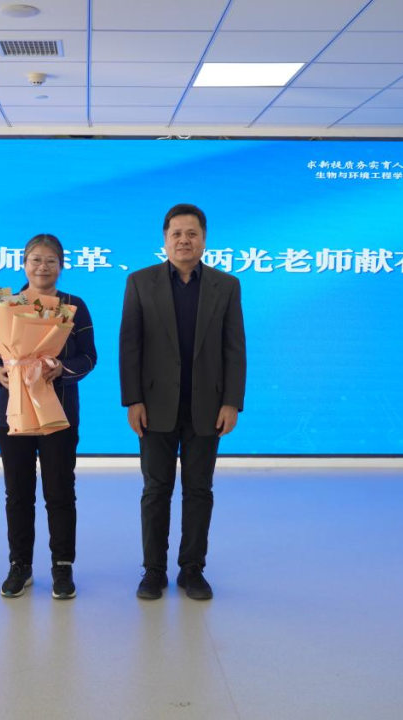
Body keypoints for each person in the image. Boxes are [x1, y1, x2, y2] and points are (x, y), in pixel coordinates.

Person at [119, 203, 247, 601]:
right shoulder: (140, 282)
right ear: (165, 239)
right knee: (155, 490)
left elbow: (235, 348)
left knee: (199, 490)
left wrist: (231, 402)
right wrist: (133, 400)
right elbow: (129, 346)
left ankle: (192, 569)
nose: (184, 240)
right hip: (155, 406)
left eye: (192, 233)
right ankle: (153, 571)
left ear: (204, 240)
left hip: (207, 407)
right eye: (176, 233)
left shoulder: (227, 286)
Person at [0, 234, 97, 599]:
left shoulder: (74, 305)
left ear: (61, 266)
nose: (42, 267)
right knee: (18, 493)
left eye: (50, 261)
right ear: (23, 264)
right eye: (35, 260)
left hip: (56, 413)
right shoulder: (5, 304)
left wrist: (62, 368)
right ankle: (20, 565)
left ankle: (62, 566)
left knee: (60, 491)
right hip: (12, 413)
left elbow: (89, 357)